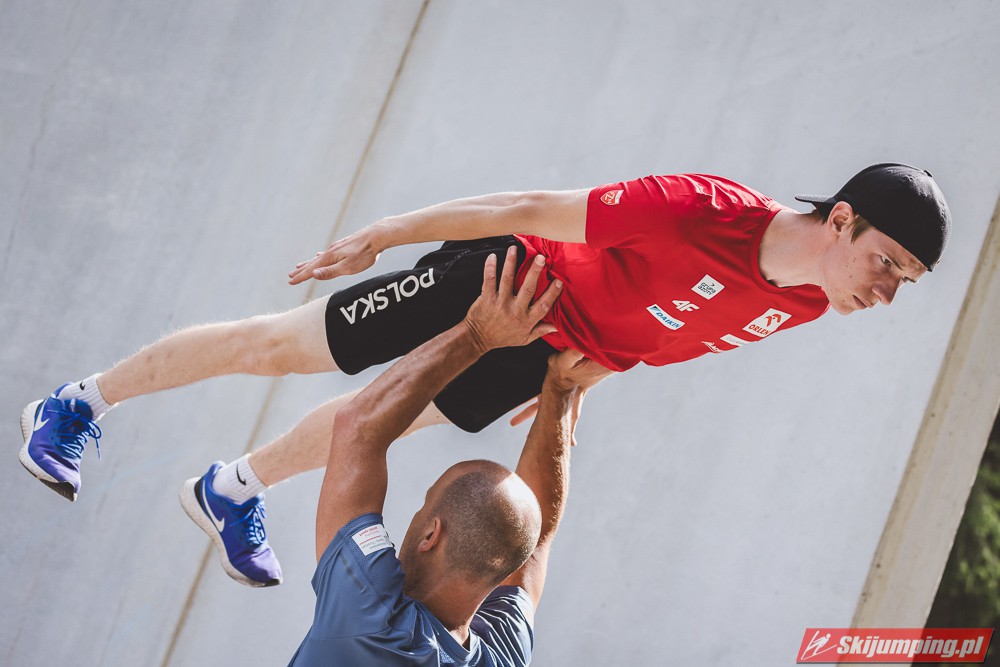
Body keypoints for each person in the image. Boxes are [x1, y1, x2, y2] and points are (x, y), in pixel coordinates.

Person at [18, 162, 951, 587]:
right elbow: (530, 203)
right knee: (280, 347)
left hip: (543, 349)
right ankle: (74, 403)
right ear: (841, 219)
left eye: (904, 282)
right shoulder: (697, 209)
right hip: (507, 281)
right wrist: (390, 233)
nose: (886, 291)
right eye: (888, 264)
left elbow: (673, 333)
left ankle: (230, 489)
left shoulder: (804, 303)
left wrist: (576, 383)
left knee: (375, 421)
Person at [286, 249, 607, 665]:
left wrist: (479, 334)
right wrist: (560, 388)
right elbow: (534, 540)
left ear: (430, 535)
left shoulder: (373, 619)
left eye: (424, 505)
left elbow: (358, 428)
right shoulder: (500, 654)